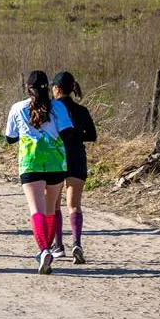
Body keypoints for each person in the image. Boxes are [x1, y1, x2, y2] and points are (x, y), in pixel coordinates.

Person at [5, 70, 75, 275]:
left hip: (30, 163)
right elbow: (68, 132)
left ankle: (44, 250)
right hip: (55, 162)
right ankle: (48, 250)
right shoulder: (59, 107)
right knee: (51, 209)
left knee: (36, 209)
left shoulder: (17, 108)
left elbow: (10, 137)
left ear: (28, 88)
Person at [50, 72, 96, 264]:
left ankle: (59, 246)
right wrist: (76, 135)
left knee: (54, 205)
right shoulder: (82, 110)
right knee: (74, 204)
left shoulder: (52, 109)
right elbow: (92, 135)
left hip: (57, 158)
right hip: (77, 157)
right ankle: (77, 243)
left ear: (57, 89)